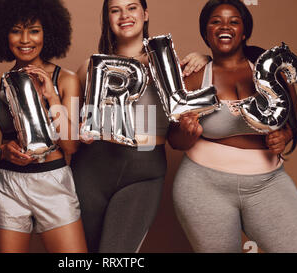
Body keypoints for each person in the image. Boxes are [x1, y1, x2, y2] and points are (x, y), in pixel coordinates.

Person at [169, 0, 297, 253]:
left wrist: (283, 136)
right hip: (203, 186)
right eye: (216, 21)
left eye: (234, 21)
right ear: (206, 32)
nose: (225, 26)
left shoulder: (274, 75)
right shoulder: (195, 77)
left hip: (268, 183)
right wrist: (187, 133)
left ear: (244, 32)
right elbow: (174, 140)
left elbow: (293, 126)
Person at [71, 0, 210, 253]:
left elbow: (176, 139)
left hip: (143, 171)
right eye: (115, 10)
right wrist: (79, 130)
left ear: (145, 14)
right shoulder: (88, 68)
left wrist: (206, 58)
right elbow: (74, 130)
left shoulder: (173, 67)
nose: (124, 15)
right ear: (107, 18)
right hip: (91, 171)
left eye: (132, 7)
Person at [0, 0, 87, 253]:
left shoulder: (66, 79)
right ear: (3, 34)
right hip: (7, 184)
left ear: (48, 32)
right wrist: (5, 151)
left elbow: (71, 145)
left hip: (53, 181)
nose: (25, 39)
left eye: (34, 30)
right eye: (16, 30)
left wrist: (52, 97)